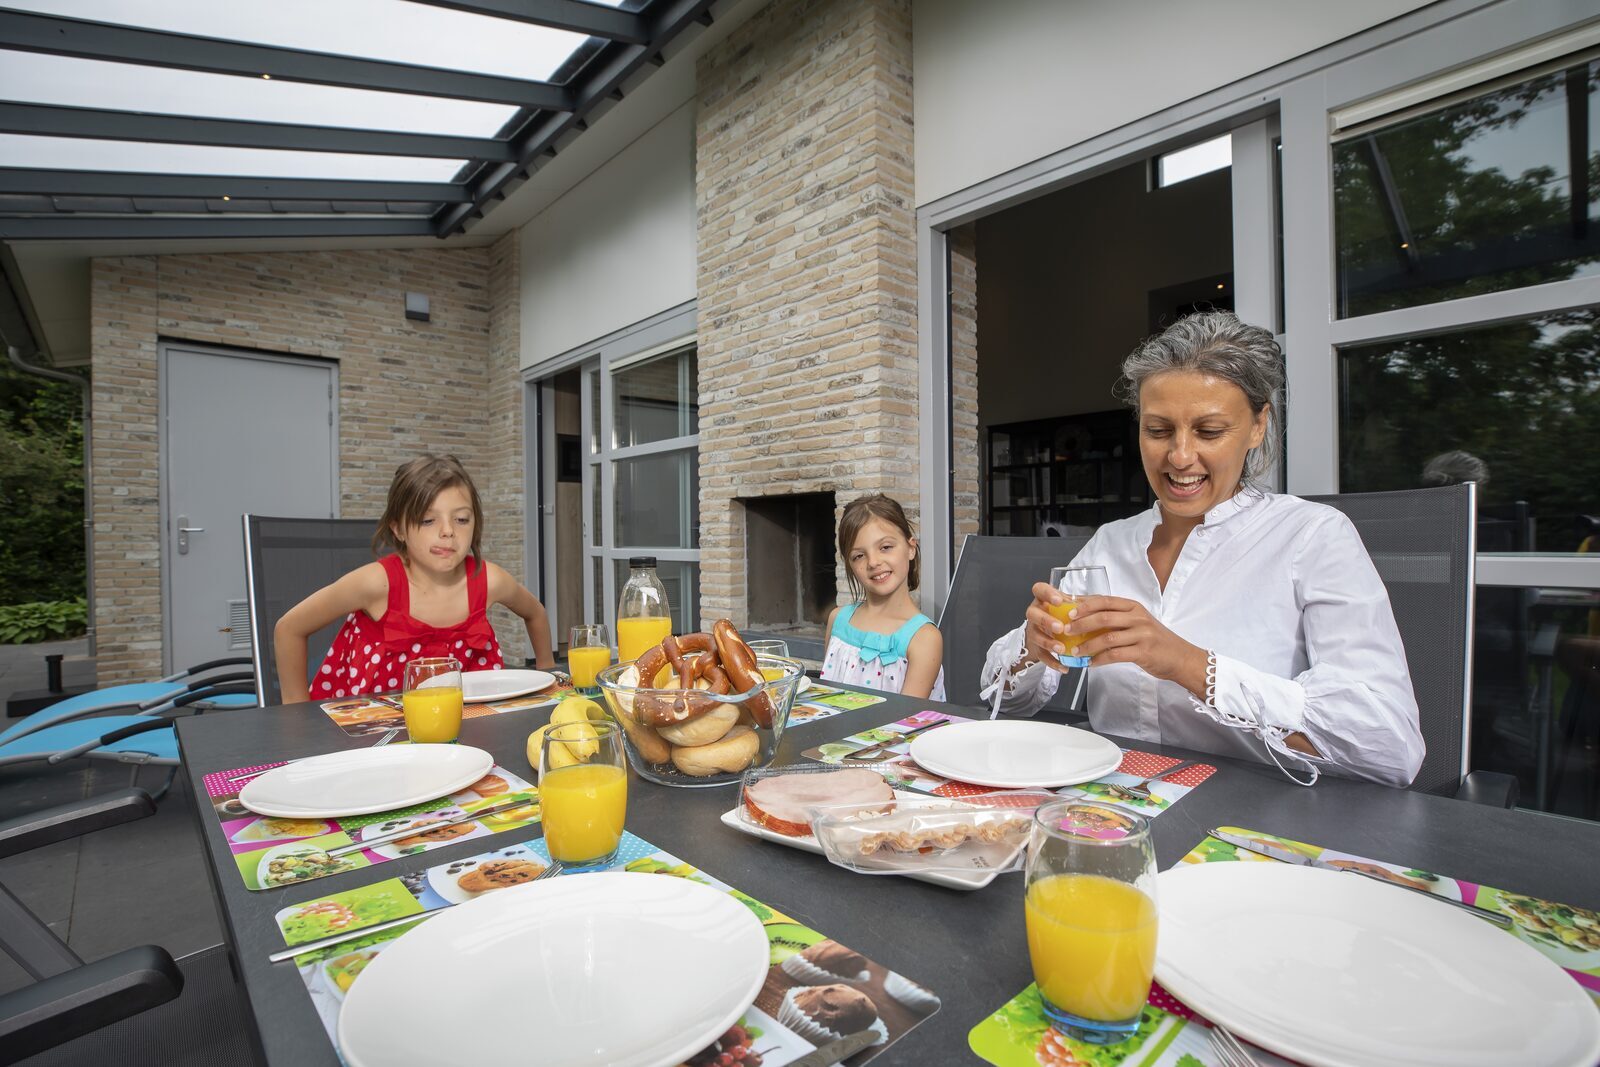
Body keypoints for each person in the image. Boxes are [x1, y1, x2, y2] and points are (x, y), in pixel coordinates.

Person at [980, 312, 1424, 787]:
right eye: (1158, 430)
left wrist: (1188, 665)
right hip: (1106, 803)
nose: (1180, 456)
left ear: (1257, 426)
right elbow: (1008, 701)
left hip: (1249, 813)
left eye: (1209, 432)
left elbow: (1391, 748)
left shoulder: (1313, 536)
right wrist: (1034, 644)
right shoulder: (1111, 542)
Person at [275, 454, 555, 704]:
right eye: (427, 520)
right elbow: (289, 629)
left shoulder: (488, 580)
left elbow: (536, 613)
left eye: (461, 519)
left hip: (467, 728)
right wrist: (296, 718)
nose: (447, 531)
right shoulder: (376, 584)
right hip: (378, 734)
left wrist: (549, 680)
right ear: (398, 529)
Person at [822, 494, 946, 700]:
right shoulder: (837, 620)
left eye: (885, 547)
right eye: (859, 556)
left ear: (911, 548)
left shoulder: (924, 638)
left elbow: (904, 721)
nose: (873, 562)